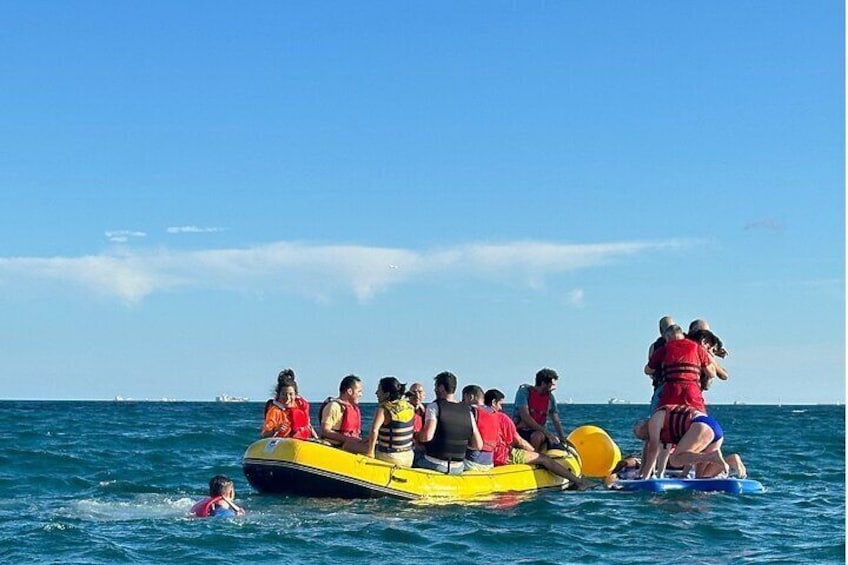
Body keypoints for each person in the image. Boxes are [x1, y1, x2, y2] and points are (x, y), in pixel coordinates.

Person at [486, 389, 591, 490]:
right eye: (500, 404)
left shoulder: (477, 416)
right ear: (494, 402)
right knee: (544, 459)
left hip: (485, 457)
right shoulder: (502, 418)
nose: (501, 408)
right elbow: (519, 441)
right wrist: (534, 453)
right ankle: (579, 482)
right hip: (501, 456)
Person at [635, 404, 745, 480]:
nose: (646, 439)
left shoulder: (654, 420)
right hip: (714, 428)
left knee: (675, 459)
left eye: (642, 436)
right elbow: (688, 455)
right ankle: (731, 460)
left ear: (642, 427)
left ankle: (711, 456)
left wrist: (645, 476)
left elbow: (653, 450)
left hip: (702, 425)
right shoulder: (664, 429)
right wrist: (681, 474)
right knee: (702, 477)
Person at [414, 371, 483, 475]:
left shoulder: (434, 407)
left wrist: (416, 436)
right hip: (458, 467)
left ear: (441, 388)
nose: (434, 390)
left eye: (435, 387)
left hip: (434, 464)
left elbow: (426, 437)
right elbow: (478, 445)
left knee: (413, 453)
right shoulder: (468, 411)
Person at [645, 325, 716, 413]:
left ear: (667, 337)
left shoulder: (664, 349)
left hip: (671, 392)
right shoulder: (697, 348)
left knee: (659, 417)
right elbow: (712, 373)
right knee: (700, 419)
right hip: (692, 393)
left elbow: (648, 370)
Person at [512, 368, 567, 451]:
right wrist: (547, 433)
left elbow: (556, 420)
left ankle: (536, 457)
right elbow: (525, 417)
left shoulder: (550, 398)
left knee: (537, 436)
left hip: (538, 433)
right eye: (552, 385)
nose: (554, 388)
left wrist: (562, 439)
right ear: (543, 383)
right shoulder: (524, 392)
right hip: (521, 429)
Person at [366, 376, 416, 466]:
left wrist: (370, 453)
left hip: (391, 457)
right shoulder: (410, 407)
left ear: (387, 394)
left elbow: (374, 430)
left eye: (379, 390)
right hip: (408, 457)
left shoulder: (384, 409)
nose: (376, 393)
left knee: (349, 444)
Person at [320, 375, 369, 454]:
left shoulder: (352, 408)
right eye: (359, 391)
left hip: (350, 444)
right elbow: (325, 431)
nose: (361, 395)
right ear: (350, 391)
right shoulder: (334, 406)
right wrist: (347, 439)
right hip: (337, 446)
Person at [261, 372, 316, 439]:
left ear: (295, 395)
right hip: (282, 443)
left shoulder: (300, 407)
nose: (287, 398)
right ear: (279, 395)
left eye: (291, 394)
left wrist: (317, 439)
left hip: (300, 443)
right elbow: (264, 434)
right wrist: (276, 429)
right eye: (283, 394)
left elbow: (308, 426)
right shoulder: (275, 411)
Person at [460, 384, 499, 471]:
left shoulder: (470, 410)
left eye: (463, 399)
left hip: (471, 462)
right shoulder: (494, 412)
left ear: (470, 397)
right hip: (489, 463)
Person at [687, 319, 730, 390]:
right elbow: (723, 375)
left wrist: (714, 352)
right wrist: (711, 355)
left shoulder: (683, 343)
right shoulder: (700, 350)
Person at [646, 316, 676, 412]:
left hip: (661, 385)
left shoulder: (655, 347)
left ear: (660, 330)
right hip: (683, 386)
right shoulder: (687, 343)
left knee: (656, 415)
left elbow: (650, 370)